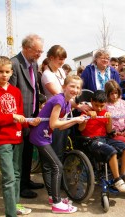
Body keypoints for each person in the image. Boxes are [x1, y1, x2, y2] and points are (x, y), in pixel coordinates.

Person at [0, 56, 41, 216]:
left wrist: (29, 122)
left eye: (7, 71)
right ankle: (11, 213)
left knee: (16, 174)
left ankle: (15, 205)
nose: (4, 75)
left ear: (11, 72)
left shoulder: (15, 91)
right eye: (0, 71)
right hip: (2, 140)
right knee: (8, 177)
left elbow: (20, 115)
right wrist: (11, 117)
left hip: (17, 137)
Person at [30, 75, 84, 214]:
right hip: (40, 136)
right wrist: (76, 119)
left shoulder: (67, 103)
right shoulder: (59, 100)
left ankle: (52, 197)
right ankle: (56, 203)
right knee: (57, 166)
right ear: (64, 86)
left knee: (52, 166)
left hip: (46, 136)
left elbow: (60, 127)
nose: (75, 89)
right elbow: (53, 123)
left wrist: (76, 121)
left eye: (78, 87)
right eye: (72, 86)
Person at [78, 90, 125, 192]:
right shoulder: (86, 113)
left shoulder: (105, 113)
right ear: (91, 101)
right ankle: (117, 180)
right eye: (96, 105)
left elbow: (109, 130)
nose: (99, 108)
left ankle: (123, 175)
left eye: (102, 106)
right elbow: (80, 129)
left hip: (104, 138)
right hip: (91, 141)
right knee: (112, 151)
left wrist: (109, 119)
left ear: (105, 103)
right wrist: (87, 118)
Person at [9, 34, 45, 199]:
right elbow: (12, 93)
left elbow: (34, 87)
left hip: (32, 115)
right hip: (21, 117)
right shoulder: (14, 64)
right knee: (21, 153)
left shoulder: (33, 62)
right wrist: (19, 116)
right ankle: (21, 187)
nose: (39, 54)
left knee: (29, 150)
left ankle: (27, 179)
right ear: (26, 48)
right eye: (37, 51)